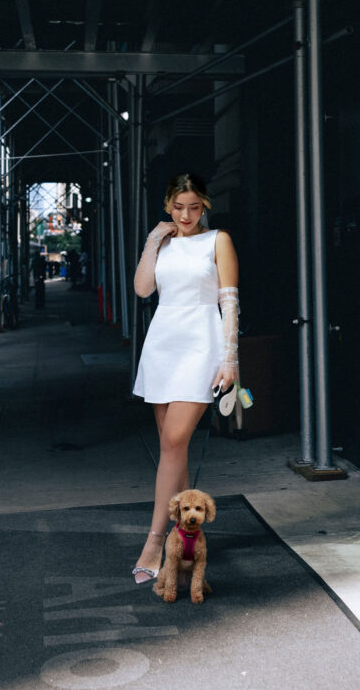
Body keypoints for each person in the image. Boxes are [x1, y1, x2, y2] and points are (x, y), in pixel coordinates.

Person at [131, 172, 239, 583]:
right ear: (168, 206)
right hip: (162, 347)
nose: (187, 214)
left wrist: (230, 359)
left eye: (194, 207)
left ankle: (155, 541)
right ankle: (187, 539)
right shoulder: (165, 243)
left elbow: (229, 302)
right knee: (170, 449)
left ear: (204, 206)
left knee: (174, 442)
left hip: (202, 347)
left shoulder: (218, 241)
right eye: (179, 207)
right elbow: (143, 290)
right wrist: (152, 241)